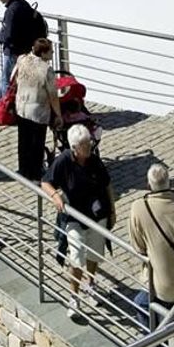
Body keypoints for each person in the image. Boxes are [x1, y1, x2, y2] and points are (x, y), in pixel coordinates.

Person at [41, 124, 116, 320]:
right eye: (84, 145)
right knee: (76, 256)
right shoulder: (64, 161)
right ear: (74, 147)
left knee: (94, 253)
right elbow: (46, 182)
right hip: (74, 217)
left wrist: (112, 211)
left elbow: (107, 184)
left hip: (97, 215)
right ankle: (73, 297)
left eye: (89, 143)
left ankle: (90, 284)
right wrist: (55, 197)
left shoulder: (94, 160)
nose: (89, 147)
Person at [129, 163, 174, 327]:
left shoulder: (138, 208)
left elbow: (138, 246)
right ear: (169, 183)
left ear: (148, 185)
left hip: (162, 284)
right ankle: (171, 326)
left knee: (141, 303)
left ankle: (159, 346)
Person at [13, 37, 62, 181]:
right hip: (37, 110)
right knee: (37, 143)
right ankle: (35, 173)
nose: (52, 54)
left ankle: (23, 169)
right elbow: (53, 96)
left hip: (21, 105)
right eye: (51, 52)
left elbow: (16, 78)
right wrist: (58, 115)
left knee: (23, 140)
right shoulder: (46, 70)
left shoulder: (22, 59)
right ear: (43, 53)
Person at [0, 0, 37, 97]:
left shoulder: (10, 11)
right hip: (26, 49)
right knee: (22, 79)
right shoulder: (23, 4)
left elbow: (9, 35)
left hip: (12, 51)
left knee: (6, 80)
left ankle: (4, 106)